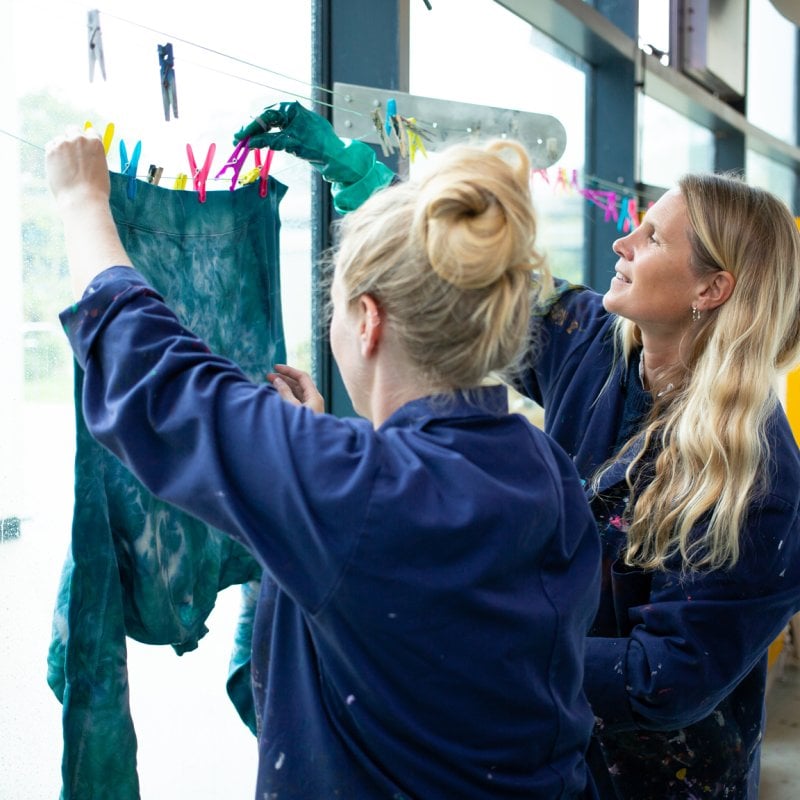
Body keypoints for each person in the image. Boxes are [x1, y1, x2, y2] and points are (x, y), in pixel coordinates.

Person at [46, 127, 602, 799]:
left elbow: (164, 387)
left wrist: (82, 201)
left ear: (368, 321)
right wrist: (314, 445)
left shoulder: (356, 491)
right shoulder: (539, 463)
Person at [511, 175, 800, 798]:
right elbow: (486, 292)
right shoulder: (592, 343)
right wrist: (371, 188)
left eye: (651, 238)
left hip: (664, 777)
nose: (621, 242)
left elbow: (664, 676)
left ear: (711, 288)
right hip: (554, 748)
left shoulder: (757, 476)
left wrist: (499, 649)